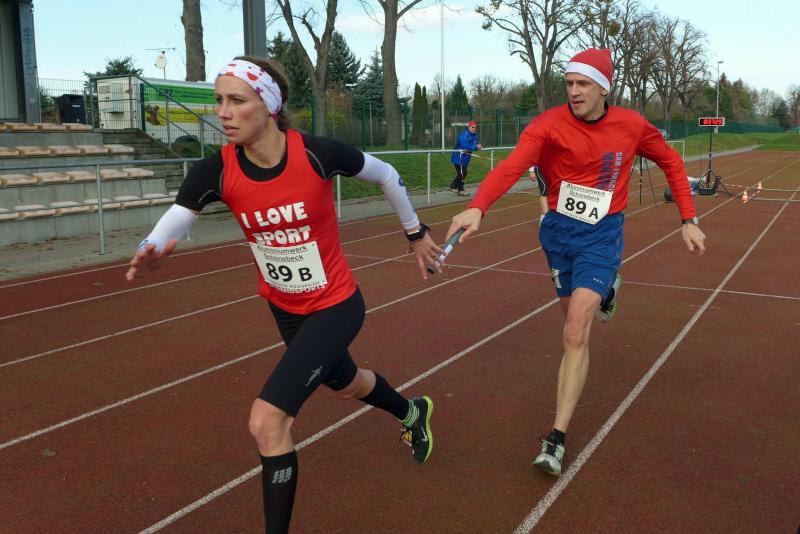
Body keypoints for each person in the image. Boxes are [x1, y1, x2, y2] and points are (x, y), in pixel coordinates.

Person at [125, 56, 442, 533]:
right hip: (286, 309)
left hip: (336, 306)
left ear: (269, 106)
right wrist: (152, 246)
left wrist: (415, 232)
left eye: (237, 100)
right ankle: (412, 411)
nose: (223, 113)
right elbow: (178, 216)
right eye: (219, 101)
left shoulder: (315, 154)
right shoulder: (215, 170)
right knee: (346, 383)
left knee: (267, 421)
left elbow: (386, 175)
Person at [445, 48, 706, 477]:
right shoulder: (547, 125)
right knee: (572, 323)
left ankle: (557, 437)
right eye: (569, 83)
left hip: (601, 235)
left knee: (574, 331)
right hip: (558, 235)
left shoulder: (631, 125)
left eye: (583, 83)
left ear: (603, 88)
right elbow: (512, 166)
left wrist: (688, 218)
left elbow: (671, 163)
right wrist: (479, 205)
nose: (574, 91)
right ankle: (607, 291)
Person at [449, 120, 482, 196]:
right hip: (458, 157)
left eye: (475, 127)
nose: (474, 129)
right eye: (472, 127)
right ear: (469, 127)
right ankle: (455, 186)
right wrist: (476, 147)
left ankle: (458, 188)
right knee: (463, 173)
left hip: (466, 158)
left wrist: (479, 145)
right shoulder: (464, 134)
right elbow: (464, 146)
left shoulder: (475, 136)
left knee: (462, 174)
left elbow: (476, 143)